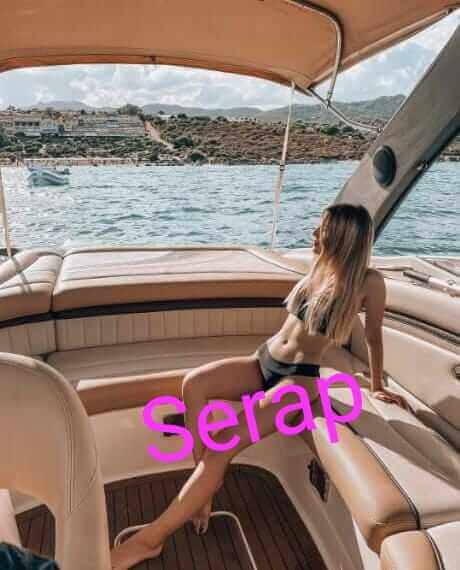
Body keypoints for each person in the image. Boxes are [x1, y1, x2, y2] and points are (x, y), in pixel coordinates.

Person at [110, 203, 410, 569]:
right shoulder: (320, 267)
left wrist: (376, 385)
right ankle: (203, 490)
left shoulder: (368, 282)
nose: (314, 233)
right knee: (194, 385)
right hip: (263, 360)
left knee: (220, 445)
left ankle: (149, 541)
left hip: (297, 381)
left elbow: (374, 337)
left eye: (322, 229)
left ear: (342, 238)